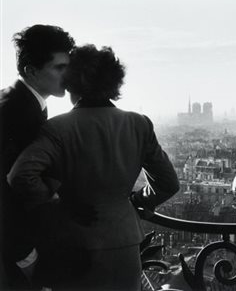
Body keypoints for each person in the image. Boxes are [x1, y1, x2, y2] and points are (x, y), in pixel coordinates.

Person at [8, 44, 180, 290]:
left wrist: (56, 203)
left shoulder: (59, 128)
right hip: (125, 242)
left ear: (71, 83)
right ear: (114, 83)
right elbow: (168, 184)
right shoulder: (138, 124)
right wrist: (136, 200)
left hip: (74, 245)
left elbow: (21, 176)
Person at [0, 24, 75, 289]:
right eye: (58, 67)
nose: (68, 75)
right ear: (31, 71)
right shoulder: (21, 114)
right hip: (15, 256)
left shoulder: (17, 102)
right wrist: (26, 258)